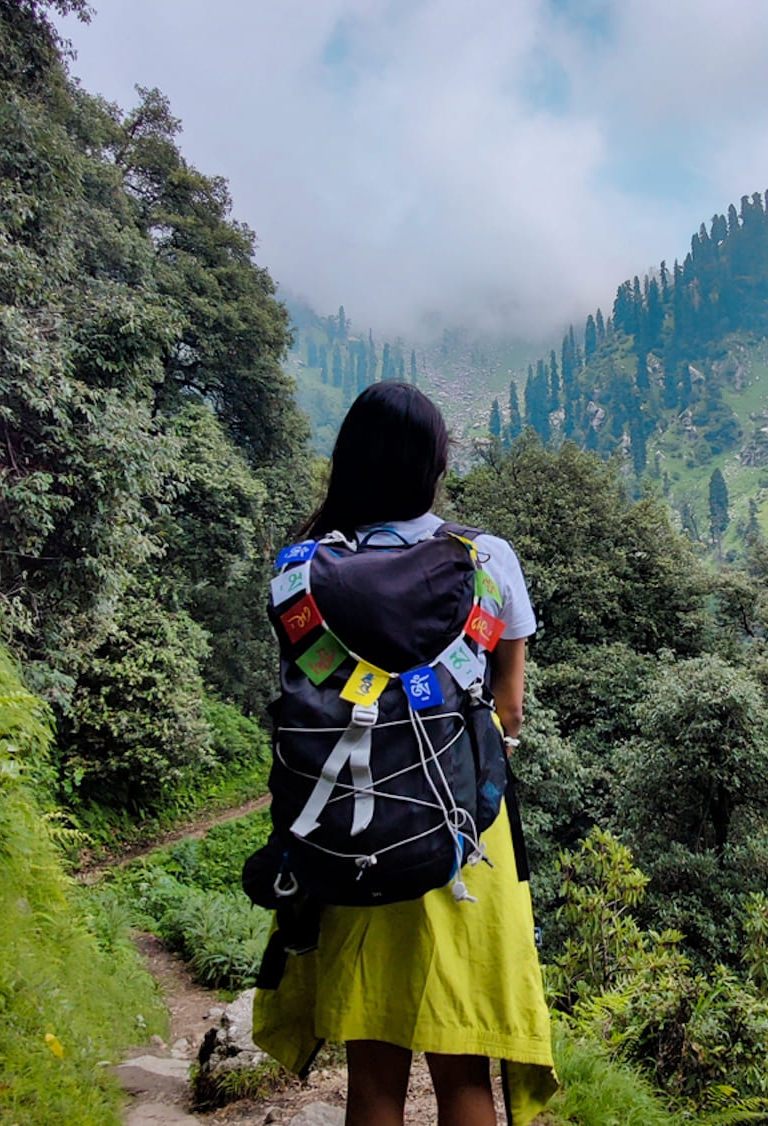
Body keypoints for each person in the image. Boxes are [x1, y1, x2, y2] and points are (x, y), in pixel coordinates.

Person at [253, 382, 557, 1126]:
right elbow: (509, 710)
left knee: (375, 1074)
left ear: (349, 462)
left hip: (348, 835)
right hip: (463, 840)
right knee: (464, 1075)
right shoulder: (487, 559)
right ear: (433, 463)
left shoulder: (304, 571)